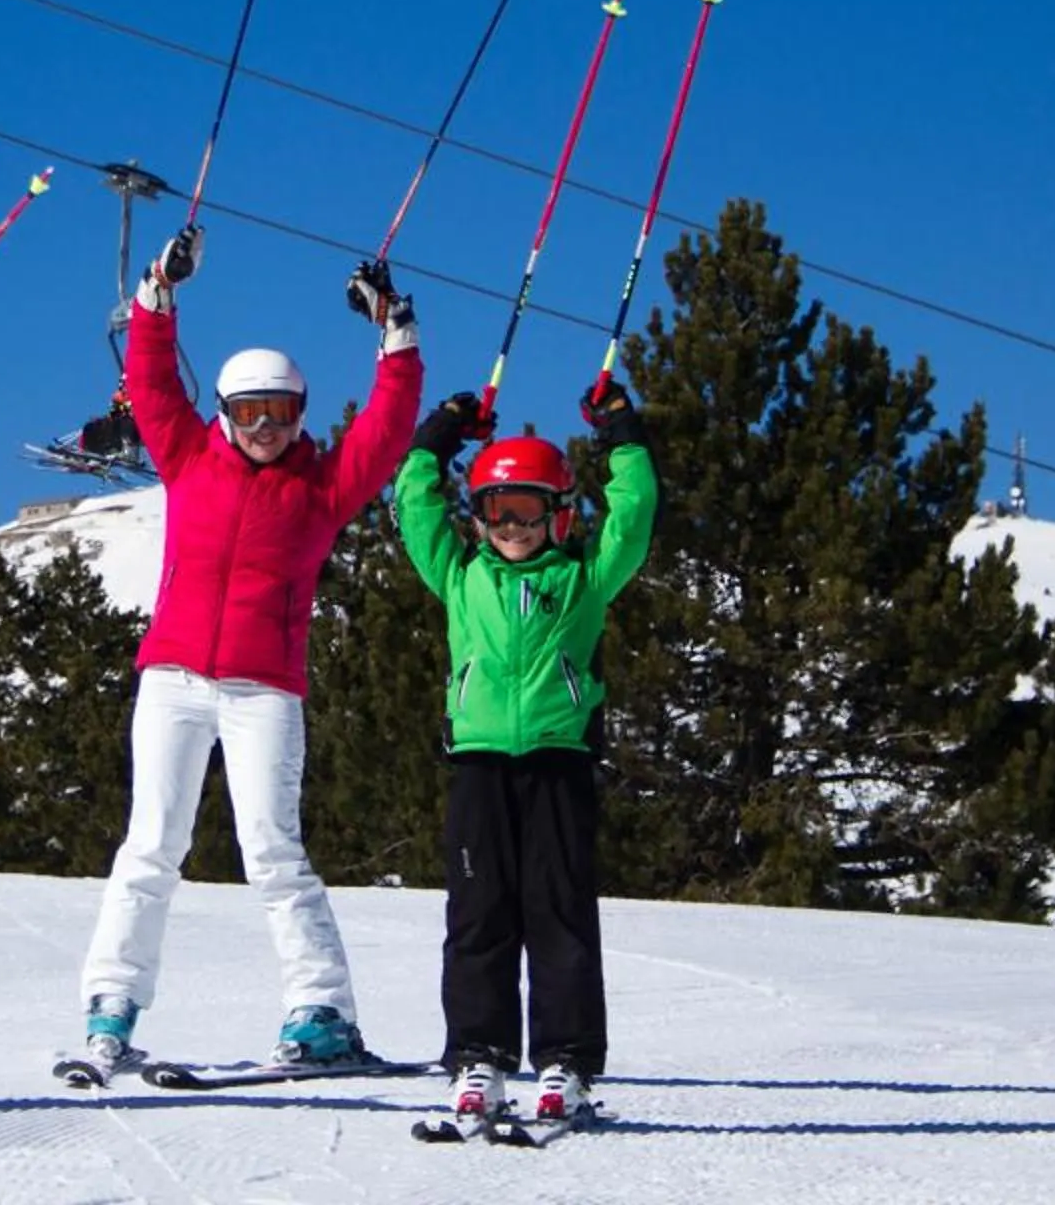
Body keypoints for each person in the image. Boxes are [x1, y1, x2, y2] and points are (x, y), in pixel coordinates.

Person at [71, 224, 425, 1079]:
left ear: (301, 412)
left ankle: (321, 1011)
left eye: (282, 413)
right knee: (151, 841)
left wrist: (396, 335)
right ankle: (111, 1003)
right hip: (175, 678)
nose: (266, 428)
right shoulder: (189, 457)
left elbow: (388, 427)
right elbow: (151, 382)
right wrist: (161, 291)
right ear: (224, 413)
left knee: (273, 848)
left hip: (265, 687)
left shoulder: (323, 487)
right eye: (249, 412)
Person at [395, 375, 658, 1127]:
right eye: (497, 510)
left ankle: (566, 1061)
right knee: (478, 914)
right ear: (476, 518)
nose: (511, 525)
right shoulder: (460, 576)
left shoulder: (582, 581)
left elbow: (633, 518)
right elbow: (415, 505)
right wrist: (442, 433)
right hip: (478, 764)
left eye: (528, 509)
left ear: (559, 514)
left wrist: (622, 436)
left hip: (557, 763)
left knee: (559, 913)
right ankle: (478, 1055)